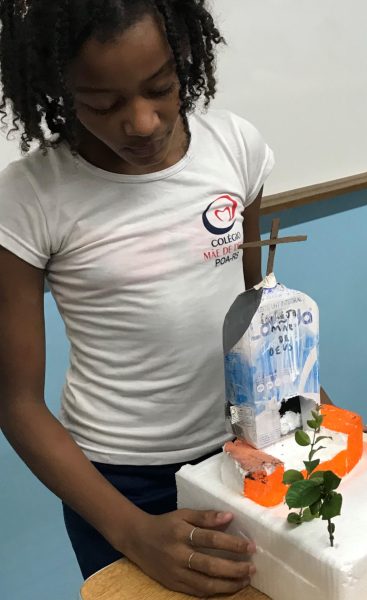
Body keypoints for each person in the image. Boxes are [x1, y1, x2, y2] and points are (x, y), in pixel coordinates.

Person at [0, 1, 274, 596]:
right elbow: (15, 401)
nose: (144, 123)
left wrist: (306, 406)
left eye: (161, 88)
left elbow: (257, 305)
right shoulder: (29, 196)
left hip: (241, 448)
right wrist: (132, 531)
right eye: (103, 104)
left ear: (185, 60)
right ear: (59, 89)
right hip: (116, 484)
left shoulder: (235, 146)